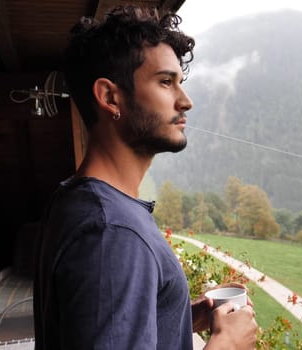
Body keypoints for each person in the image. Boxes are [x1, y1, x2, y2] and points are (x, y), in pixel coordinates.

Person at [33, 5, 258, 349]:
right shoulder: (112, 233)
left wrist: (176, 314)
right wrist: (226, 344)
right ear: (110, 97)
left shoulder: (78, 199)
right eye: (166, 82)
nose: (186, 102)